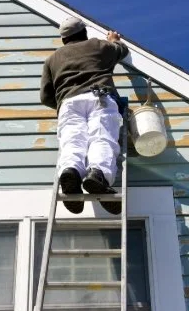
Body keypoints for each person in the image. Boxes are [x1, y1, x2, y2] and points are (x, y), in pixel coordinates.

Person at [40, 17, 129, 215]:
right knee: (102, 137)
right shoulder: (98, 45)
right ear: (84, 33)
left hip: (68, 104)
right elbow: (121, 51)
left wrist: (63, 102)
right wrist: (114, 39)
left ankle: (71, 171)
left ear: (64, 39)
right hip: (99, 97)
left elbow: (45, 97)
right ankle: (98, 175)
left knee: (72, 141)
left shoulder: (52, 60)